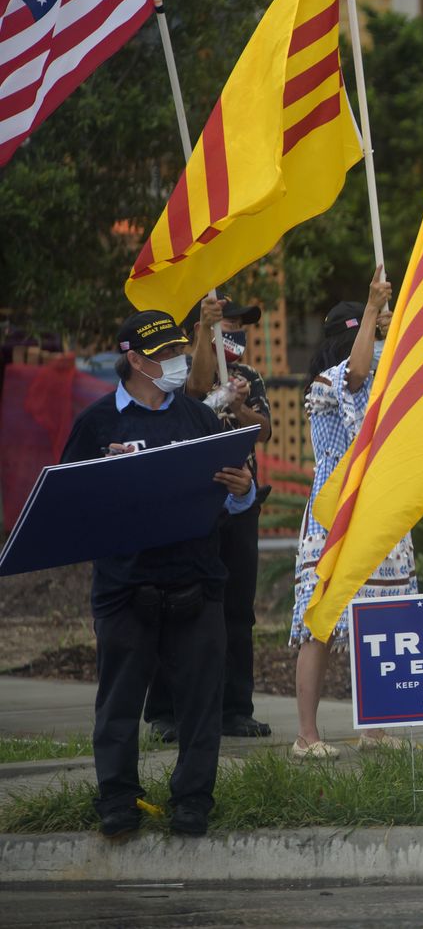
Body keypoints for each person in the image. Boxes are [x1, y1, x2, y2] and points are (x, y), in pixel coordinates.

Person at [59, 310, 256, 838]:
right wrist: (107, 474)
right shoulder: (97, 424)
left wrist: (242, 491)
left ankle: (193, 801)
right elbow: (69, 504)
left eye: (177, 350)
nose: (176, 361)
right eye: (164, 353)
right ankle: (118, 801)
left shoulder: (197, 418)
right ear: (135, 359)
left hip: (197, 581)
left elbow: (230, 499)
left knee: (200, 703)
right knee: (120, 702)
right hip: (126, 588)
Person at [289, 273, 417, 762]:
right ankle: (306, 735)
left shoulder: (381, 382)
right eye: (367, 335)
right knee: (319, 623)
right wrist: (372, 309)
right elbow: (355, 377)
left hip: (381, 511)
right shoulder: (327, 383)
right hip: (334, 515)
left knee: (381, 620)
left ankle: (377, 729)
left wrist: (390, 321)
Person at [144, 293, 272, 743]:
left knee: (238, 612)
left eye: (239, 325)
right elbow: (197, 391)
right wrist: (204, 327)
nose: (234, 332)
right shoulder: (176, 379)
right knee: (177, 605)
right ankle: (168, 711)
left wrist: (238, 407)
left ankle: (235, 709)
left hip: (239, 504)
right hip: (190, 507)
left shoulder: (249, 376)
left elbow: (264, 428)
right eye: (226, 323)